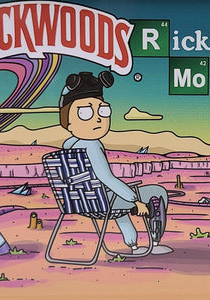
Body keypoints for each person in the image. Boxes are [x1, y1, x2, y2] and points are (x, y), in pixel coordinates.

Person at [60, 71, 172, 255]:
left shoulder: (68, 148)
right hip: (103, 203)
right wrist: (135, 200)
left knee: (116, 194)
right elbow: (106, 178)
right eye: (85, 112)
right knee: (157, 193)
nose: (98, 118)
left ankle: (133, 245)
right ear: (68, 121)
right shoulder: (91, 145)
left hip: (81, 203)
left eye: (103, 111)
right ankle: (154, 242)